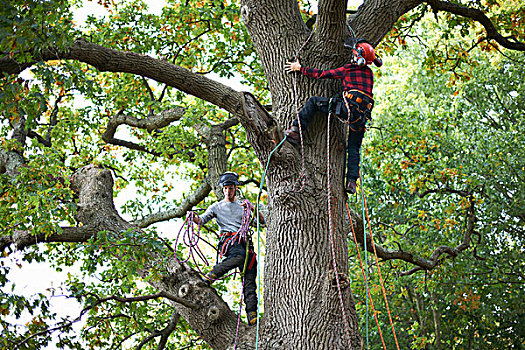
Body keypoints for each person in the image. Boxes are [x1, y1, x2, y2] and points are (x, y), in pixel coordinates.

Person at [284, 39, 382, 194]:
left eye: (355, 54)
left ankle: (296, 131)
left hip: (346, 107)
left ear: (359, 57)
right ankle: (351, 181)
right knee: (354, 147)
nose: (353, 55)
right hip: (362, 117)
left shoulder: (348, 69)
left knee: (314, 102)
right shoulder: (369, 74)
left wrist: (300, 68)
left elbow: (323, 74)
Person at [191, 171, 265, 326]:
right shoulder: (217, 207)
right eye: (226, 188)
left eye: (231, 188)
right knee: (238, 257)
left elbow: (261, 221)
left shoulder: (243, 206)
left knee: (250, 279)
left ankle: (251, 314)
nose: (228, 191)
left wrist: (252, 208)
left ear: (235, 188)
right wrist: (193, 217)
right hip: (230, 241)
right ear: (222, 189)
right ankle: (213, 273)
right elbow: (202, 220)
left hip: (246, 244)